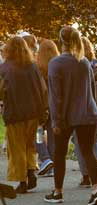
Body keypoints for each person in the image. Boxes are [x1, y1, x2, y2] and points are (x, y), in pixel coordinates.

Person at [44, 26, 97, 205]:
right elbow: (92, 91)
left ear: (60, 41)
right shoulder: (84, 61)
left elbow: (56, 96)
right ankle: (96, 189)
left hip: (66, 115)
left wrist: (56, 120)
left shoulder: (56, 63)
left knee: (59, 153)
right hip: (87, 113)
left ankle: (58, 192)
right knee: (88, 152)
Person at [0, 36, 47, 193]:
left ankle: (22, 181)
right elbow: (42, 90)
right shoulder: (32, 67)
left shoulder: (5, 69)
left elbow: (2, 91)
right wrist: (43, 111)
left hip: (14, 114)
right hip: (33, 112)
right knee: (30, 145)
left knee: (17, 148)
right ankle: (31, 170)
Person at [71, 37, 97, 187]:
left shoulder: (78, 64)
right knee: (95, 139)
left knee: (79, 141)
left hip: (83, 104)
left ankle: (86, 174)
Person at [35, 37, 59, 176]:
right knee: (52, 136)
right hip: (54, 106)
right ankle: (52, 165)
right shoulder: (58, 66)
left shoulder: (38, 68)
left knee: (37, 133)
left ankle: (45, 159)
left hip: (40, 107)